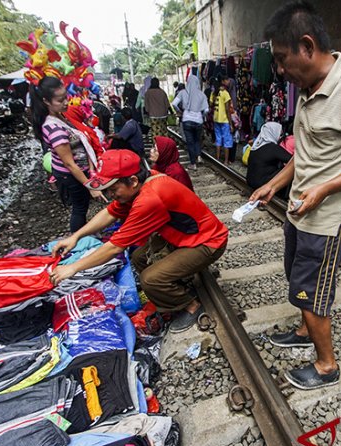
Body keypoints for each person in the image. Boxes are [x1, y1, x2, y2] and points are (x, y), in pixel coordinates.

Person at [250, 1, 341, 390]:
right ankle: (304, 330)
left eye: (282, 59)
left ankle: (326, 365)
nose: (279, 70)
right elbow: (307, 153)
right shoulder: (308, 89)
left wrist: (325, 189)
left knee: (313, 290)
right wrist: (276, 184)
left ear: (307, 45)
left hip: (330, 215)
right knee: (298, 279)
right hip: (300, 210)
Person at [49, 149, 228, 333]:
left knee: (150, 279)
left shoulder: (149, 199)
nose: (110, 194)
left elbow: (114, 247)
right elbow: (110, 212)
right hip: (185, 236)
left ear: (133, 181)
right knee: (139, 258)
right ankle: (174, 286)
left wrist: (73, 267)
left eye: (112, 189)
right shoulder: (142, 182)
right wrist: (75, 237)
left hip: (208, 242)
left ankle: (191, 306)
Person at [31, 77, 107, 232]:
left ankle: (81, 235)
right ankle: (77, 240)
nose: (66, 102)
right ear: (46, 101)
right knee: (80, 208)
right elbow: (69, 163)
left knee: (82, 205)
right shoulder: (54, 127)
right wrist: (90, 185)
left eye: (65, 97)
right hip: (70, 174)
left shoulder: (60, 116)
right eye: (60, 100)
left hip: (78, 170)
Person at [172, 74, 209, 171]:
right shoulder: (201, 94)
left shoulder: (183, 92)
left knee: (190, 142)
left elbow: (174, 104)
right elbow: (206, 110)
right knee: (197, 140)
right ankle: (199, 157)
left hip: (187, 120)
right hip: (198, 121)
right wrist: (201, 115)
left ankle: (193, 164)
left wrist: (180, 111)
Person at [247, 122, 292, 192]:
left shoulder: (256, 146)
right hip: (262, 184)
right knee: (290, 169)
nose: (281, 137)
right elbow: (292, 160)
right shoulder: (273, 147)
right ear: (273, 133)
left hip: (250, 181)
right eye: (280, 134)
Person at [210, 76, 234, 164]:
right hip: (224, 120)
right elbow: (228, 110)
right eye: (227, 80)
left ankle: (217, 158)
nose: (228, 81)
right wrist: (231, 124)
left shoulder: (214, 92)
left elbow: (211, 104)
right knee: (227, 140)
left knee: (218, 139)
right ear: (223, 81)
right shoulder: (225, 93)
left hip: (216, 119)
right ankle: (226, 161)